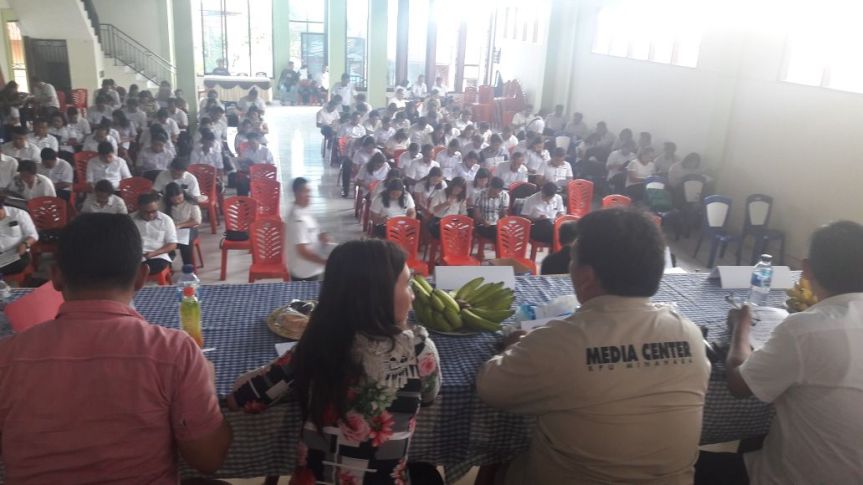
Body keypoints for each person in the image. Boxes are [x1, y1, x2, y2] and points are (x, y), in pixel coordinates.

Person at [477, 209, 710, 484]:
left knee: (497, 459)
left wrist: (511, 347)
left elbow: (490, 388)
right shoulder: (690, 334)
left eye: (573, 259)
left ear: (586, 277)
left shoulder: (559, 341)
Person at [0, 213, 231, 482]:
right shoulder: (174, 351)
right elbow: (208, 458)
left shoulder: (8, 356)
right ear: (141, 277)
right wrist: (206, 386)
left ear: (56, 278)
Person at [228, 239, 441, 483]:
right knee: (428, 474)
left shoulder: (317, 344)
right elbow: (429, 397)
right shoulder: (419, 350)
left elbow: (239, 399)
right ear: (378, 296)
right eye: (408, 284)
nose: (413, 295)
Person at [724, 221, 863, 484]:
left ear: (806, 269)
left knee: (679, 463)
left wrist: (741, 325)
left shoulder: (805, 330)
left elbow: (739, 384)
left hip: (793, 478)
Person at [285, 177, 331, 281]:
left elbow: (311, 231)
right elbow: (303, 251)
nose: (308, 196)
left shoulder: (304, 210)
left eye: (309, 192)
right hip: (304, 274)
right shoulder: (297, 219)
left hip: (312, 268)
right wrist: (326, 262)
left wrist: (320, 236)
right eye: (305, 192)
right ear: (296, 193)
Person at [133, 192, 178, 275]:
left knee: (147, 268)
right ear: (139, 208)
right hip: (135, 256)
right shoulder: (130, 220)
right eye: (146, 212)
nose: (151, 215)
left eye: (154, 211)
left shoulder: (166, 220)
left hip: (157, 256)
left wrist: (154, 253)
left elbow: (172, 244)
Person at [161, 182, 201, 267]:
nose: (177, 201)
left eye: (179, 198)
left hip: (189, 228)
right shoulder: (164, 203)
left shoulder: (191, 202)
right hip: (172, 229)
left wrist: (180, 225)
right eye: (174, 200)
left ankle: (188, 268)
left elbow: (196, 221)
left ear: (183, 194)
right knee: (162, 240)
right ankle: (168, 265)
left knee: (184, 243)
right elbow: (160, 216)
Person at [0, 194, 37, 276]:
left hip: (17, 254)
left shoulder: (19, 214)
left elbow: (33, 235)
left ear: (2, 207)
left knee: (20, 262)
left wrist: (25, 244)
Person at [235, 132, 274, 196]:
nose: (251, 145)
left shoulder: (266, 151)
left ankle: (257, 199)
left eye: (253, 143)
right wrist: (242, 166)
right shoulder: (247, 151)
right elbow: (243, 164)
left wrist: (260, 168)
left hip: (262, 177)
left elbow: (272, 166)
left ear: (258, 141)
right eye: (249, 143)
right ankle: (244, 201)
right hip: (250, 176)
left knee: (255, 184)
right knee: (241, 183)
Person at [473, 176, 509, 244]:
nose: (497, 192)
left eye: (500, 190)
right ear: (490, 186)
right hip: (483, 224)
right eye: (495, 189)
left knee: (505, 232)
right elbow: (476, 214)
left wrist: (501, 222)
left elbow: (504, 213)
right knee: (499, 234)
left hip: (497, 224)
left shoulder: (504, 195)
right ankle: (500, 249)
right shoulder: (480, 194)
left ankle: (501, 249)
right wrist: (483, 221)